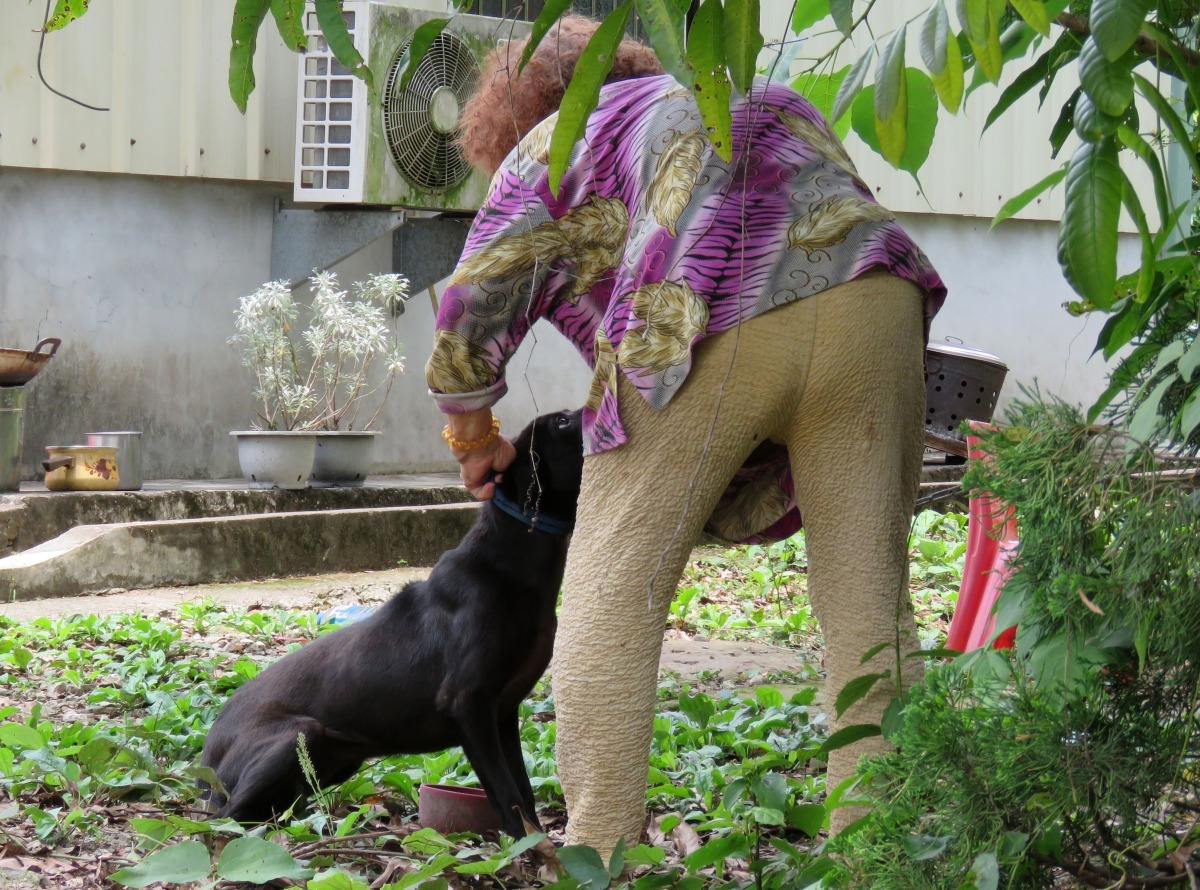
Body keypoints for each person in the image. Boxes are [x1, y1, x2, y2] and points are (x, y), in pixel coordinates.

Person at [426, 15, 947, 854]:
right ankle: (879, 855)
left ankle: (597, 853)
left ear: (518, 114)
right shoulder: (743, 89)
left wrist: (475, 436)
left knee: (611, 590)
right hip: (874, 300)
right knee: (869, 604)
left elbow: (470, 307)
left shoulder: (556, 138)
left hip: (710, 309)